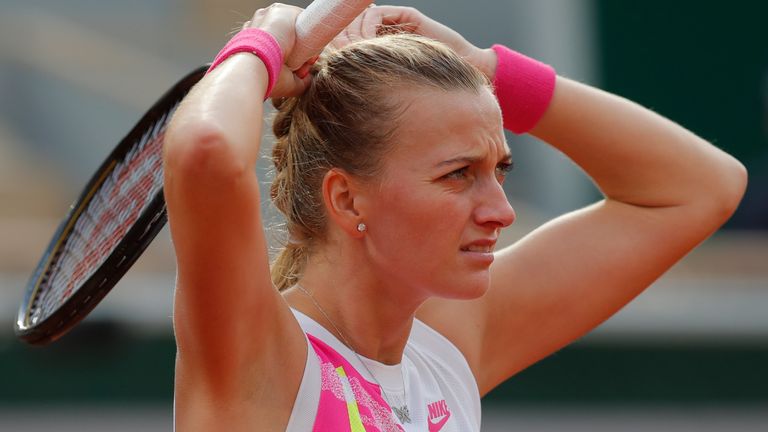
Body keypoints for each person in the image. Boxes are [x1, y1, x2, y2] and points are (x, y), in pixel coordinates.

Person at [163, 3, 747, 431]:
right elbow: (206, 154)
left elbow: (703, 186)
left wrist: (487, 67)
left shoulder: (444, 349)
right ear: (345, 199)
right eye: (458, 174)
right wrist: (260, 45)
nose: (502, 211)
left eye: (501, 170)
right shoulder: (258, 357)